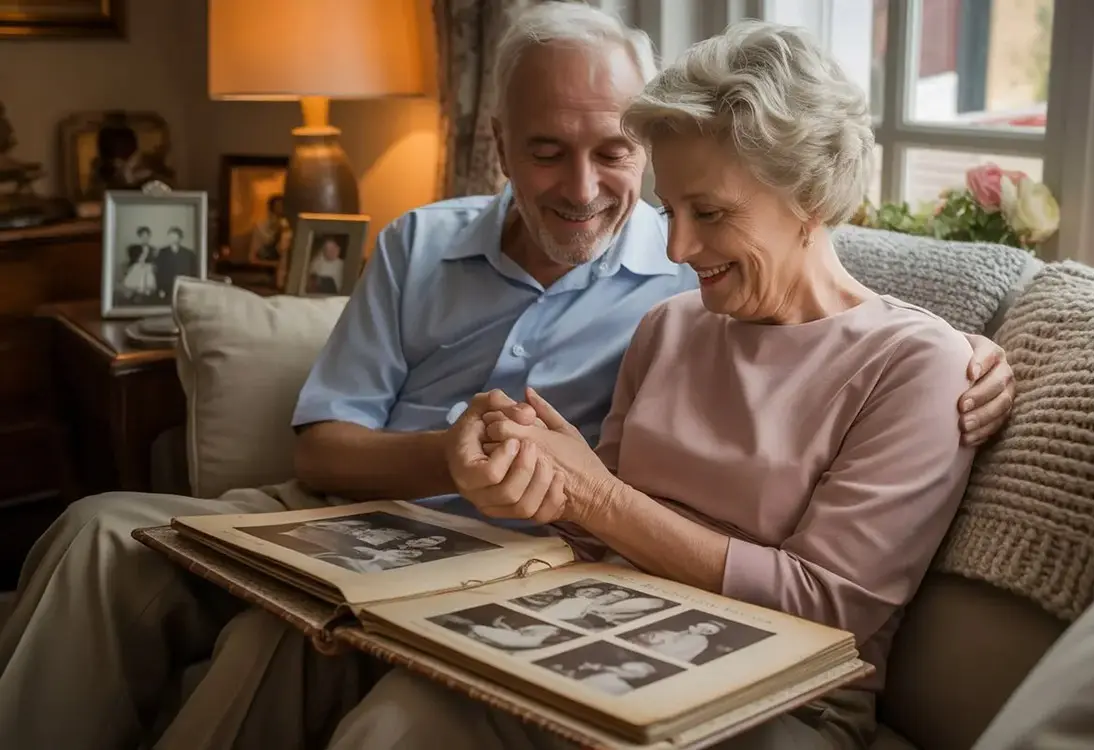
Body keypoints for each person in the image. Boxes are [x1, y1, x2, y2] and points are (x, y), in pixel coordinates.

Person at [0, 5, 1014, 750]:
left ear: (809, 198)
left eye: (695, 207)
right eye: (547, 152)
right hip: (534, 594)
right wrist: (512, 480)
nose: (667, 230)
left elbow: (819, 567)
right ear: (497, 150)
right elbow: (558, 517)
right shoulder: (669, 317)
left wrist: (962, 348)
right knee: (111, 540)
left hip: (727, 660)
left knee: (322, 668)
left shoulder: (733, 295)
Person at [326, 17, 980, 750]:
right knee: (392, 722)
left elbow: (827, 608)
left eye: (710, 213)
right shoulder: (668, 325)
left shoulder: (918, 366)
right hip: (585, 644)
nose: (676, 246)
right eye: (669, 210)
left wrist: (595, 498)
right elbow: (596, 532)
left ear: (813, 200)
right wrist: (539, 472)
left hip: (771, 698)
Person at [153, 226, 196, 300]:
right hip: (166, 288)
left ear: (180, 238)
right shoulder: (162, 253)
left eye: (175, 236)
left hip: (183, 287)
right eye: (171, 236)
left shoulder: (188, 253)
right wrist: (160, 289)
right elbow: (158, 273)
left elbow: (193, 272)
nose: (173, 239)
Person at [122, 226, 157, 300]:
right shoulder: (133, 248)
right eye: (143, 236)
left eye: (147, 236)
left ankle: (143, 293)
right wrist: (142, 257)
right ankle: (136, 292)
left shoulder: (153, 249)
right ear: (139, 237)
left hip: (148, 268)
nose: (145, 238)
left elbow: (154, 260)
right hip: (136, 266)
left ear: (149, 237)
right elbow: (133, 259)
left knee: (147, 269)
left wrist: (149, 264)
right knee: (139, 269)